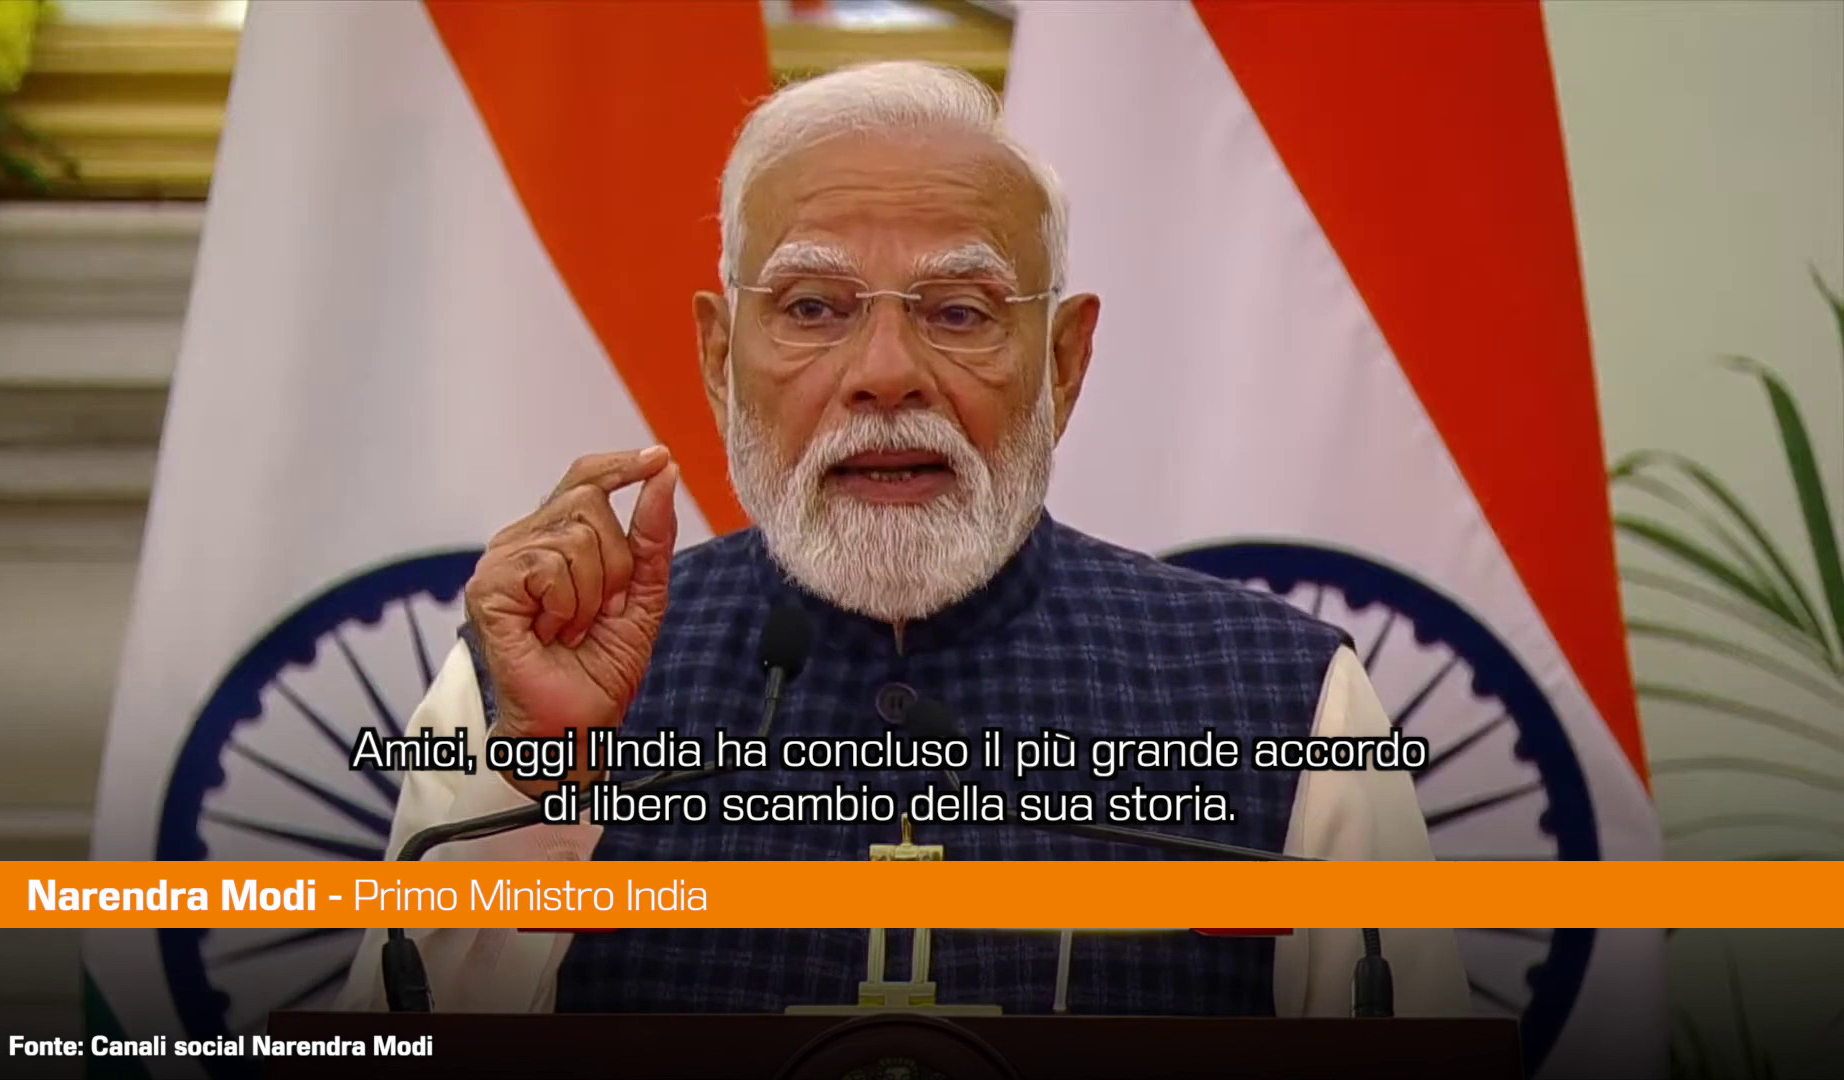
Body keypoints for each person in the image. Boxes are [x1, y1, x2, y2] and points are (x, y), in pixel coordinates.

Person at [340, 60, 1469, 1018]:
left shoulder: (1289, 700)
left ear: (1064, 364)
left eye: (960, 312)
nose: (885, 375)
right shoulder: (528, 682)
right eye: (813, 308)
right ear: (720, 358)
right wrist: (542, 780)